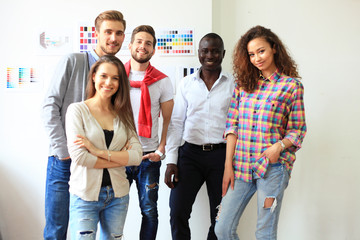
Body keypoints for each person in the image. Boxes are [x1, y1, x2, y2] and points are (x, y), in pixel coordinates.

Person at [214, 25, 307, 240]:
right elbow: (232, 126)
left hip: (272, 168)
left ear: (274, 48)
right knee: (222, 229)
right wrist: (228, 165)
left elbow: (298, 129)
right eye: (252, 54)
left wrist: (279, 147)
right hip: (241, 167)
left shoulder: (291, 86)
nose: (257, 58)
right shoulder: (243, 85)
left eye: (261, 51)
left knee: (264, 232)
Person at [42, 10, 126, 240]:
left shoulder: (118, 73)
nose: (113, 38)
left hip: (97, 164)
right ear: (96, 33)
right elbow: (49, 107)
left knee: (87, 231)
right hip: (64, 162)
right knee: (57, 229)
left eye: (119, 33)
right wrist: (64, 152)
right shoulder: (74, 61)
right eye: (108, 31)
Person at [165, 33, 234, 240]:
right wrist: (171, 161)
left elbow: (236, 126)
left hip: (221, 157)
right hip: (190, 155)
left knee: (219, 217)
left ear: (223, 54)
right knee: (177, 211)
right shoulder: (186, 83)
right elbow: (176, 123)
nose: (210, 55)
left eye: (215, 51)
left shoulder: (234, 84)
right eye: (205, 51)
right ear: (198, 54)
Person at [65, 55, 142, 239]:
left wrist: (97, 151)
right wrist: (119, 158)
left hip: (118, 196)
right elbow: (80, 157)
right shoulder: (77, 111)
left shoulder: (123, 114)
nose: (109, 82)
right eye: (104, 76)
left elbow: (137, 156)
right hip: (84, 196)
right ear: (94, 76)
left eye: (115, 78)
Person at [125, 25, 174, 240]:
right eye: (139, 41)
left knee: (149, 211)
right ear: (130, 45)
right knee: (111, 209)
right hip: (119, 156)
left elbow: (169, 121)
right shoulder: (115, 76)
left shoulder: (162, 81)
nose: (142, 46)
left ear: (154, 50)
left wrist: (161, 151)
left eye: (148, 43)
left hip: (148, 156)